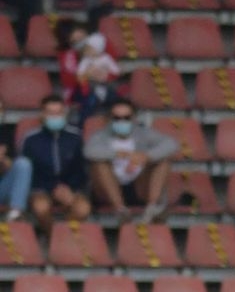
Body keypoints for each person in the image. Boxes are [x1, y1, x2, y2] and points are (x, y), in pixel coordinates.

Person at [85, 99, 174, 223]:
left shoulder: (143, 133)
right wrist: (120, 154)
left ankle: (152, 207)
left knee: (163, 161)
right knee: (99, 164)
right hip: (108, 188)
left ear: (134, 118)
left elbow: (171, 144)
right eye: (117, 118)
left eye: (126, 118)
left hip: (138, 185)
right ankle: (120, 210)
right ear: (109, 119)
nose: (122, 121)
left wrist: (145, 157)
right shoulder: (100, 135)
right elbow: (89, 151)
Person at [23, 95, 91, 231]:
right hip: (41, 189)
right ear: (42, 114)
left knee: (83, 209)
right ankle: (53, 237)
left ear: (65, 114)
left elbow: (81, 170)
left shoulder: (75, 137)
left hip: (71, 189)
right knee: (40, 207)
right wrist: (53, 187)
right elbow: (27, 172)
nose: (55, 117)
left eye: (58, 113)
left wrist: (69, 189)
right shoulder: (31, 139)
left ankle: (63, 237)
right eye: (50, 113)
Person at [0, 113, 31, 221]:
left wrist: (2, 160)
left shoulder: (5, 132)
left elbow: (11, 166)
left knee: (23, 164)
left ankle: (15, 213)